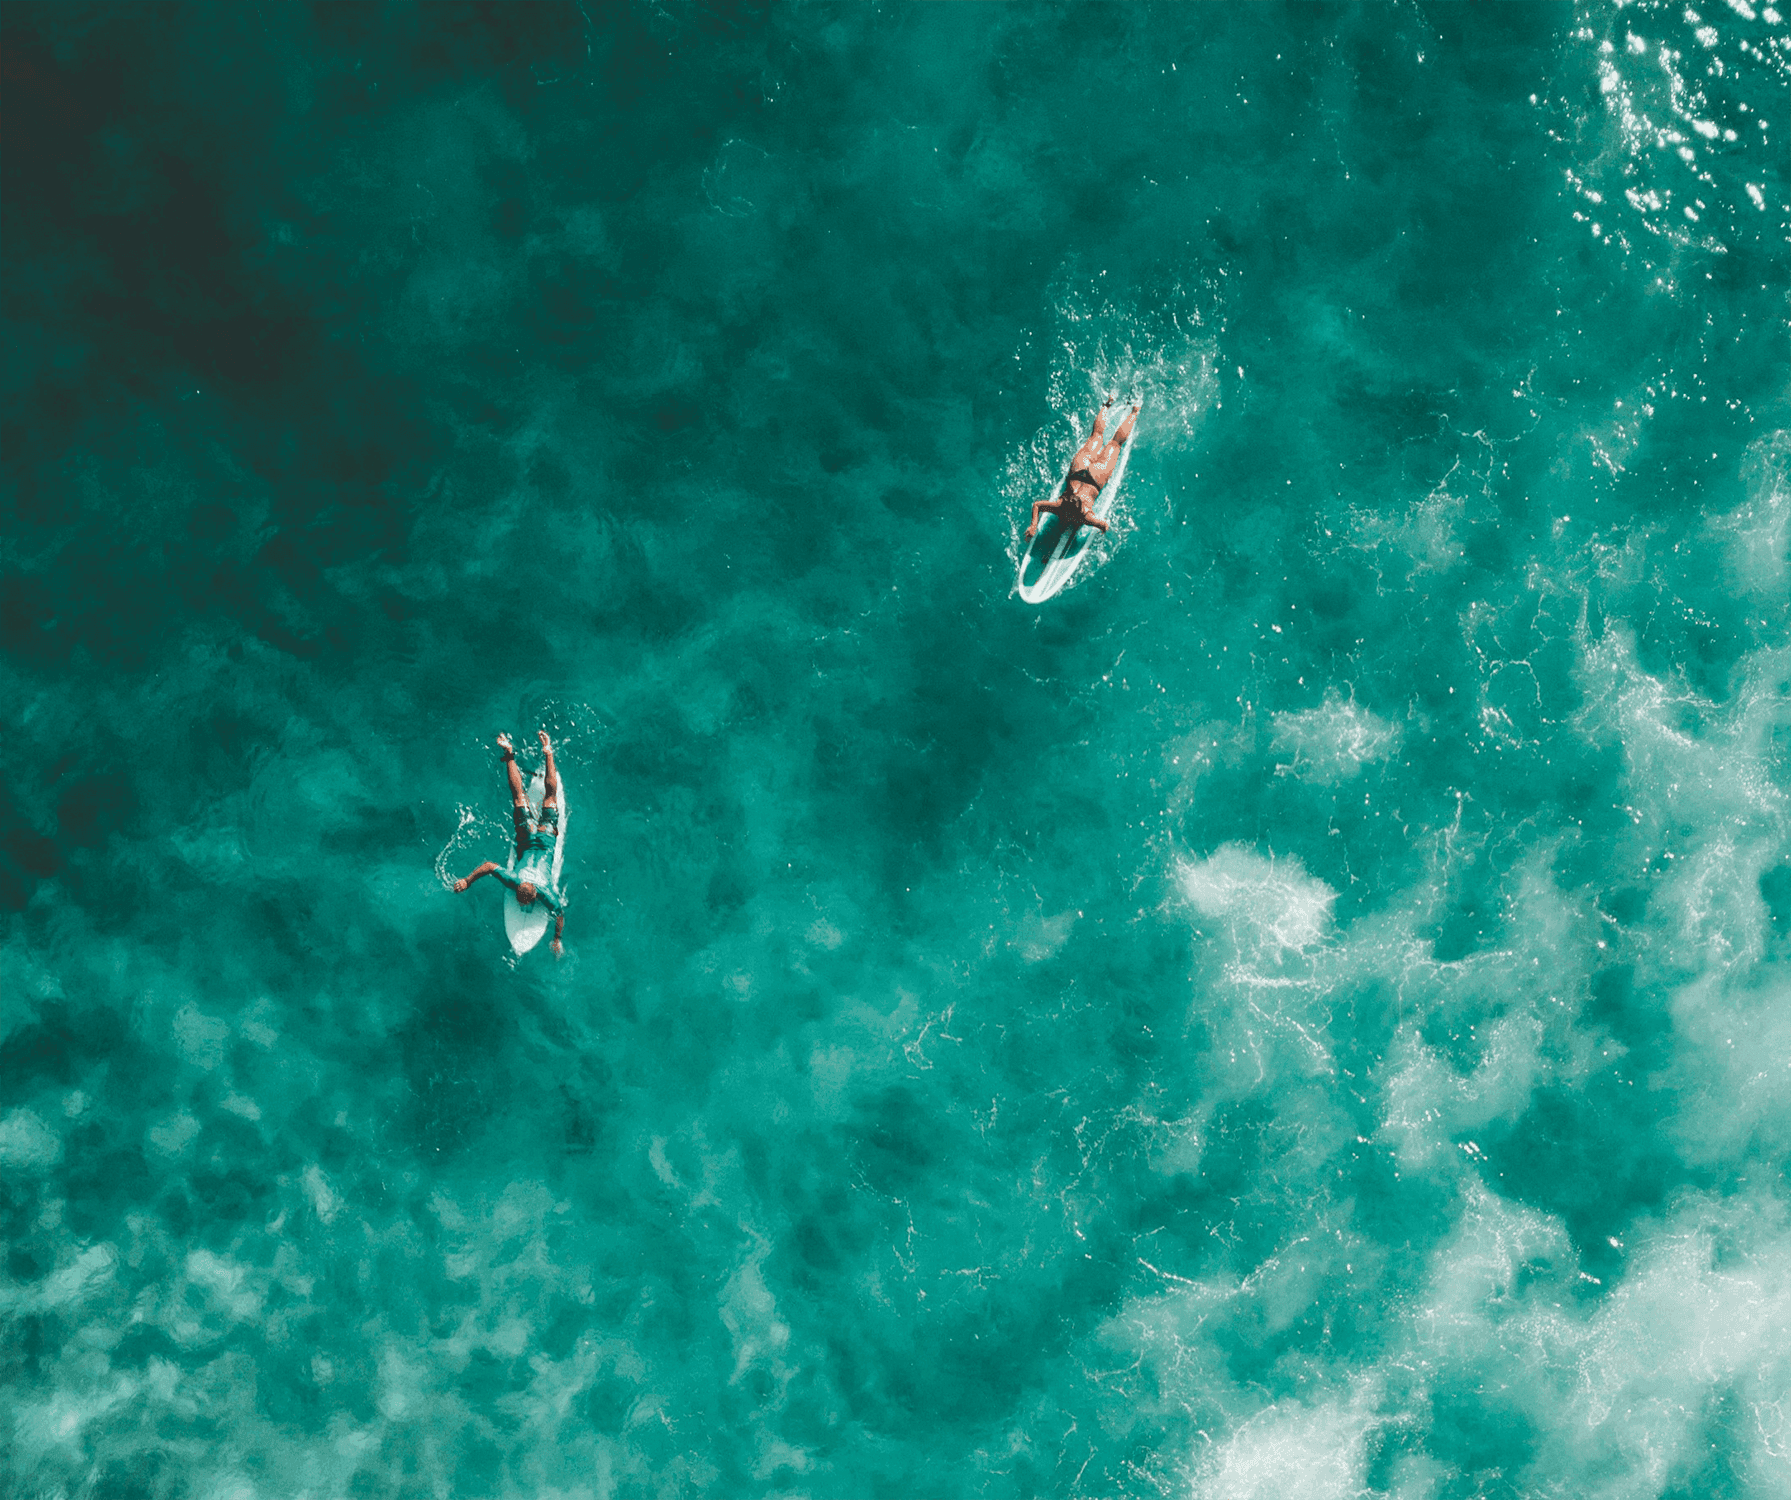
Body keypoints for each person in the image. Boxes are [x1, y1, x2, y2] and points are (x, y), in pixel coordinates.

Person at [454, 731, 566, 956]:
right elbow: (560, 914)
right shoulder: (536, 890)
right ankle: (523, 753)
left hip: (543, 836)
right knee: (524, 796)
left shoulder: (524, 885)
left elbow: (488, 866)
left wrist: (468, 881)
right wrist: (557, 939)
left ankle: (533, 753)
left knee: (546, 797)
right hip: (531, 837)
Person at [1026, 396, 1142, 545]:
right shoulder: (1082, 515)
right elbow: (1103, 525)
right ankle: (1132, 411)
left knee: (1101, 438)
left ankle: (1108, 405)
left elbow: (1037, 505)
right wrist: (1098, 534)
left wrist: (1033, 526)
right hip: (1085, 472)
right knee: (1113, 443)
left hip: (1086, 472)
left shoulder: (1062, 507)